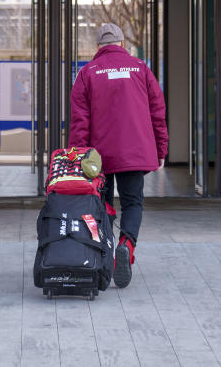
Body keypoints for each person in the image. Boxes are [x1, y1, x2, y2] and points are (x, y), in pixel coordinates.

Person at [68, 22, 168, 289]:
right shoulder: (141, 69)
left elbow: (80, 120)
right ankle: (127, 244)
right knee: (133, 202)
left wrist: (77, 156)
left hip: (98, 156)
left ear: (98, 47)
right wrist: (161, 148)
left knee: (101, 205)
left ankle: (104, 254)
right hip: (134, 152)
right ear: (122, 44)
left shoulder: (87, 72)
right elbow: (158, 112)